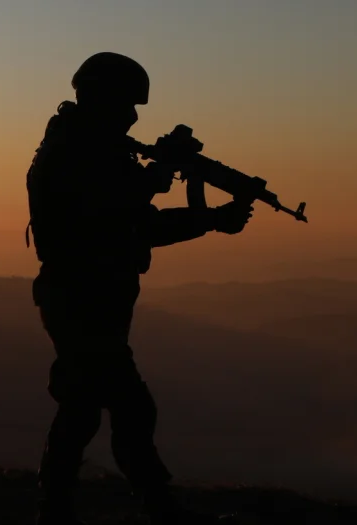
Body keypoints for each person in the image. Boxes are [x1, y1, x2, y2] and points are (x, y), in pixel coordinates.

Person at [25, 52, 252, 524]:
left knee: (84, 404)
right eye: (125, 105)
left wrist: (211, 219)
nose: (132, 117)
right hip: (78, 297)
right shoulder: (70, 153)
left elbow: (139, 225)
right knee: (128, 405)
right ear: (99, 99)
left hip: (95, 297)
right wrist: (160, 174)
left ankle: (57, 506)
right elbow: (107, 207)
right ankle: (156, 504)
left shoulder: (101, 153)